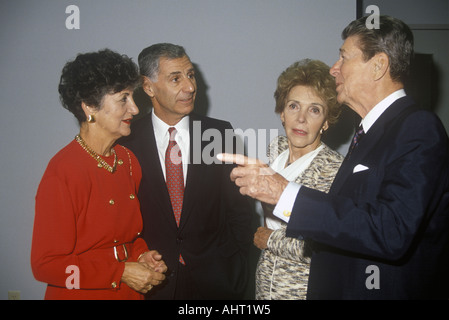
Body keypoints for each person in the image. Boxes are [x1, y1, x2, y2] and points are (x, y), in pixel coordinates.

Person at [219, 15, 449, 299]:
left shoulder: (417, 127)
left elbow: (391, 231)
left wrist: (284, 193)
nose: (334, 69)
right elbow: (348, 223)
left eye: (343, 57)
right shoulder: (368, 133)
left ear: (378, 66)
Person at [119, 43, 253, 299]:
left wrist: (236, 264)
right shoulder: (126, 141)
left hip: (217, 284)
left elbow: (240, 210)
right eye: (175, 78)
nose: (190, 87)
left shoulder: (219, 134)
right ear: (148, 87)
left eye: (190, 75)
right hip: (153, 283)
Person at [31, 49, 167, 300]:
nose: (135, 109)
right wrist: (120, 272)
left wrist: (141, 255)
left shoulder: (128, 161)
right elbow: (45, 265)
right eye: (123, 99)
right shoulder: (63, 171)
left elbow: (127, 237)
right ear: (90, 107)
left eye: (133, 97)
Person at [254, 59, 344, 300]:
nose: (301, 118)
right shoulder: (276, 149)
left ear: (326, 122)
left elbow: (328, 245)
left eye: (314, 109)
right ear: (282, 113)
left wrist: (270, 239)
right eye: (294, 106)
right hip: (265, 286)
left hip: (305, 290)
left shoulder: (334, 169)